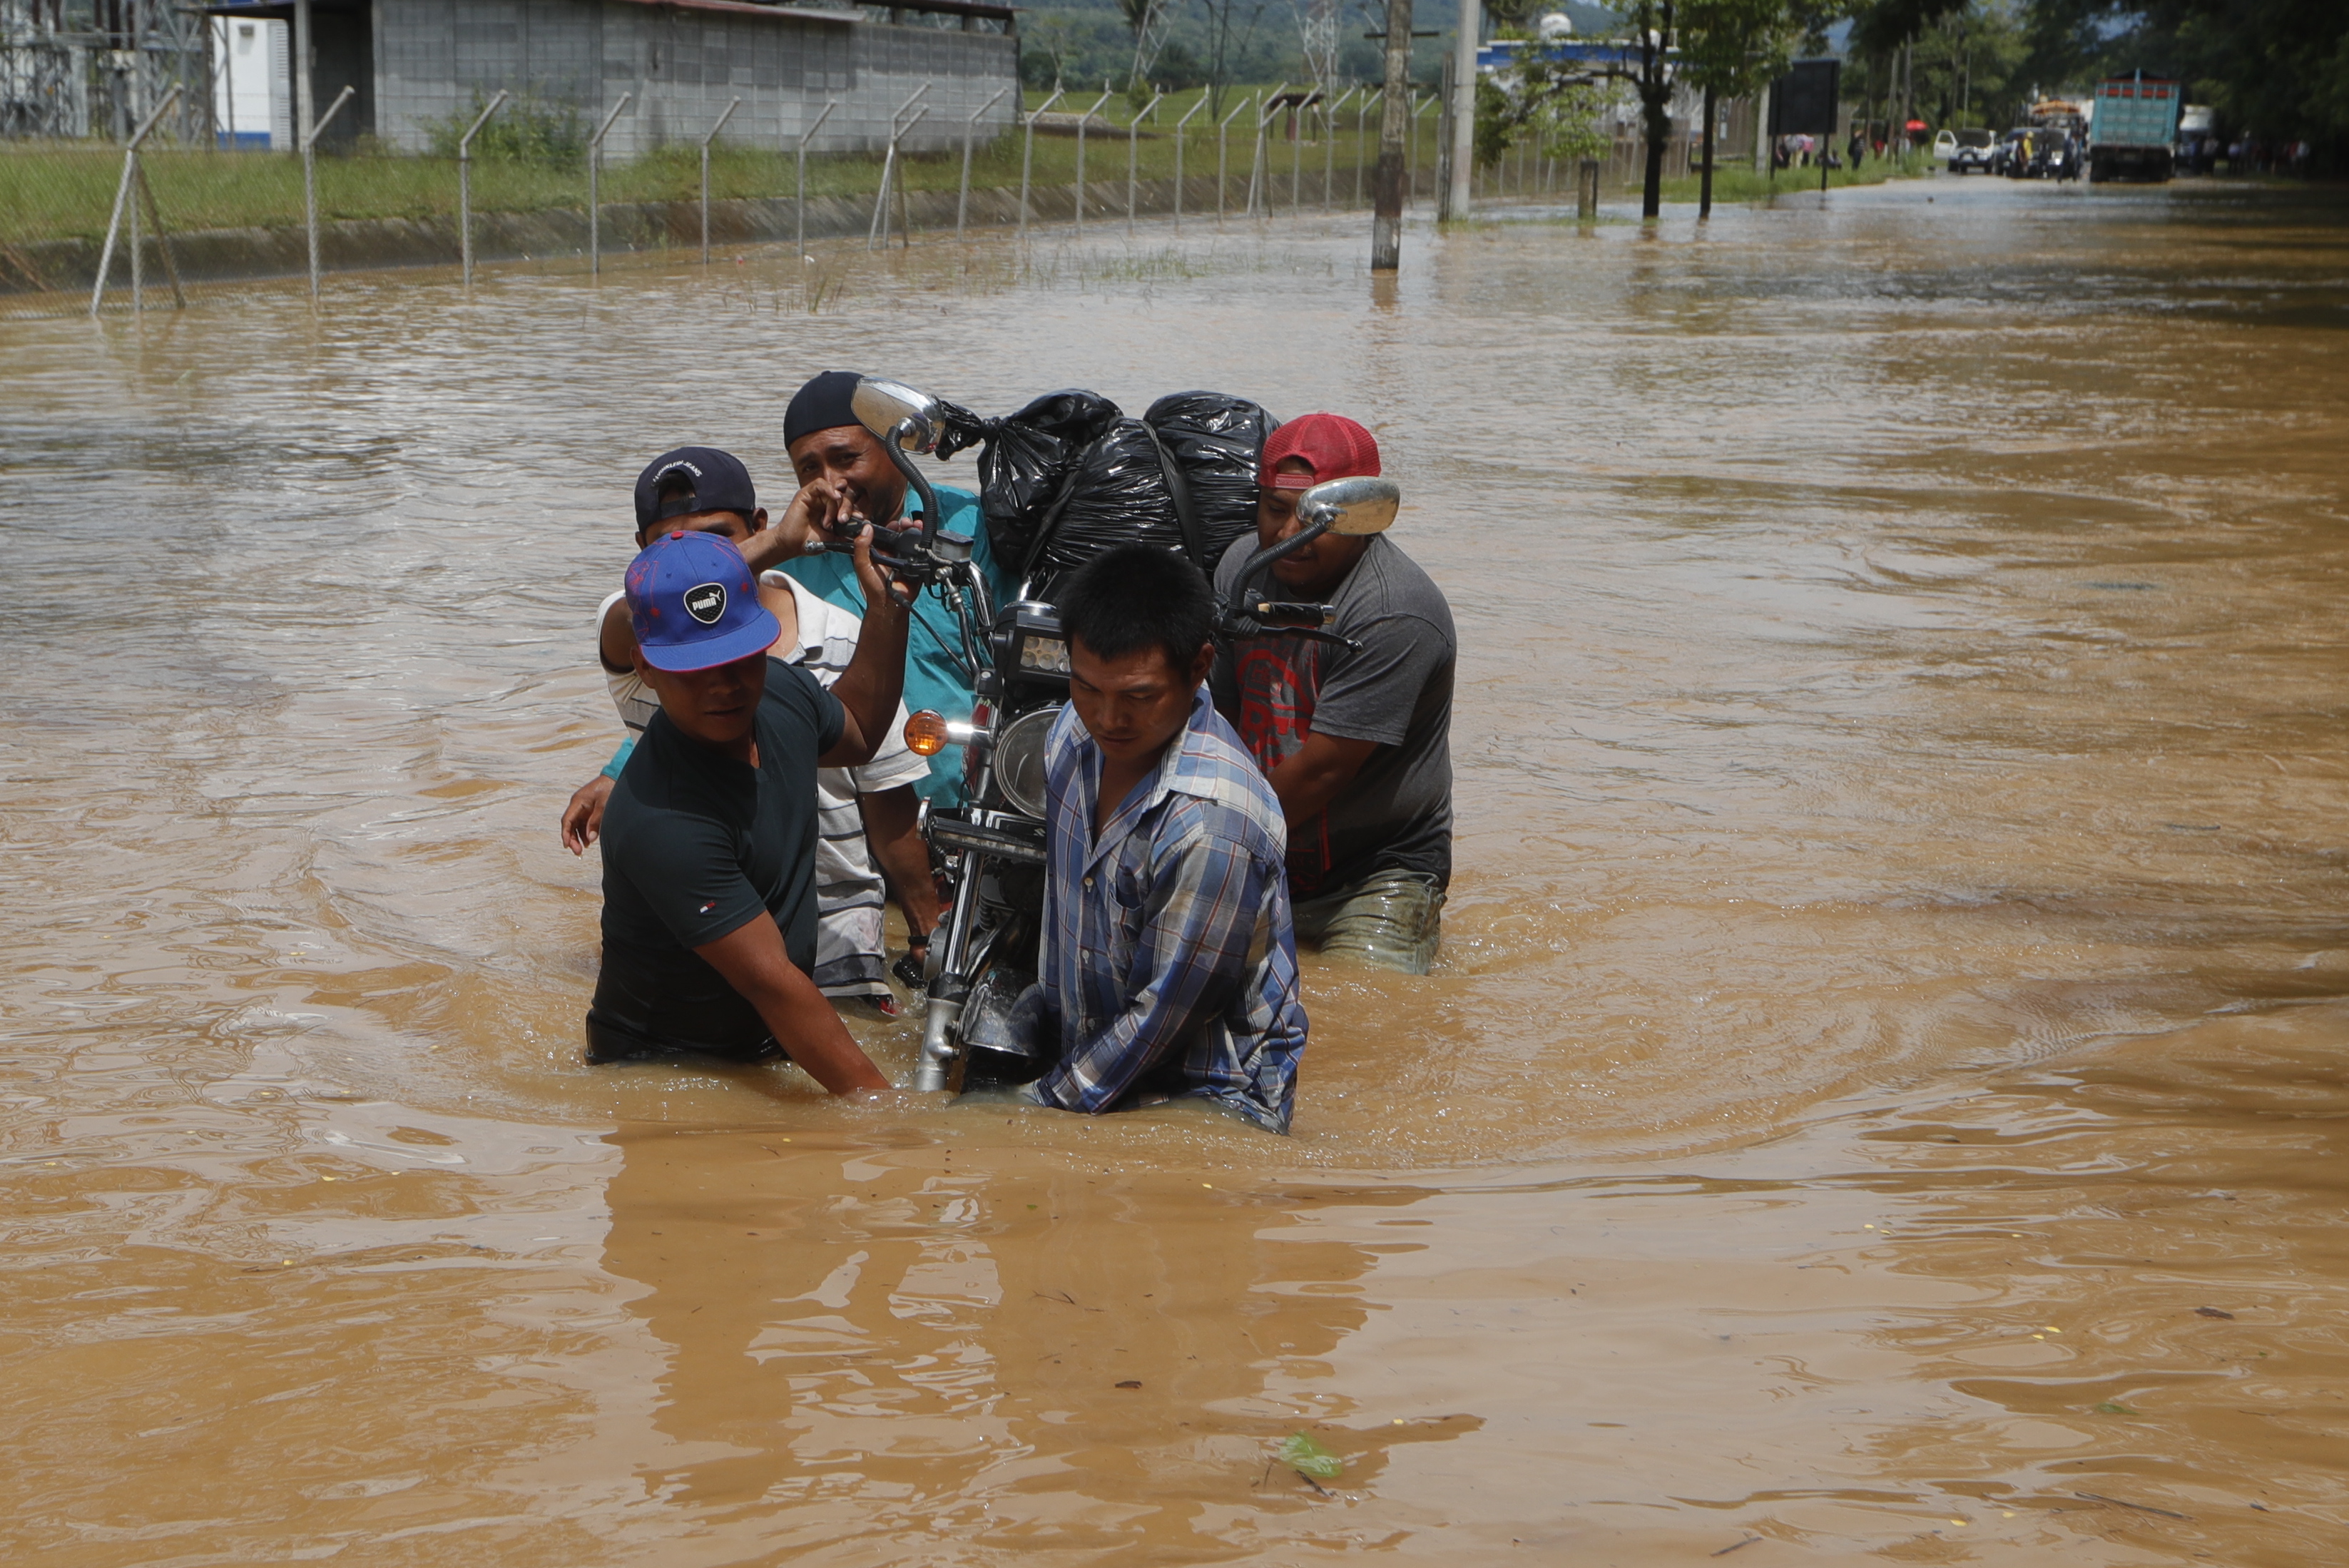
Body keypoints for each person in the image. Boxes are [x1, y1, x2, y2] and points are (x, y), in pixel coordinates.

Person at [561, 447, 937, 1011]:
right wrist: (780, 544)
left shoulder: (840, 637)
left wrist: (927, 933)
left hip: (831, 923)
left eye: (719, 538)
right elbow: (634, 620)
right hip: (703, 923)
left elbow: (888, 802)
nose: (723, 685)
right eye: (668, 546)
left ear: (756, 524)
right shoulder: (648, 633)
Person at [585, 526, 907, 1090]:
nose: (725, 685)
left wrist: (887, 609)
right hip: (665, 1070)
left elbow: (857, 731)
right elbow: (774, 985)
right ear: (645, 667)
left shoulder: (781, 690)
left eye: (739, 655)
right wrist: (892, 1122)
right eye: (694, 667)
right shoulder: (660, 818)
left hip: (766, 1041)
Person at [1004, 544, 1307, 1134]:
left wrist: (1036, 1109)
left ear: (1198, 667)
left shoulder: (1211, 824)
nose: (1107, 718)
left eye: (1139, 697)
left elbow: (1162, 1017)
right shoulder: (1069, 737)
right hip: (1094, 1062)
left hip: (1210, 1100)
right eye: (1087, 687)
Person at [1211, 412, 1455, 975]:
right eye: (1275, 510)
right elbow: (1220, 717)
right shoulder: (1238, 570)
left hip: (1373, 872)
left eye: (1317, 518)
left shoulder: (1394, 611)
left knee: (1367, 1021)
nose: (1288, 534)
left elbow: (1322, 770)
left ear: (1364, 517)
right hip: (1266, 846)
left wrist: (1214, 841)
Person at [773, 370, 1021, 810]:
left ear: (896, 451)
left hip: (977, 807)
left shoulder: (972, 526)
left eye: (846, 458)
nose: (830, 483)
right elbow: (710, 670)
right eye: (809, 468)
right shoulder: (789, 560)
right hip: (853, 823)